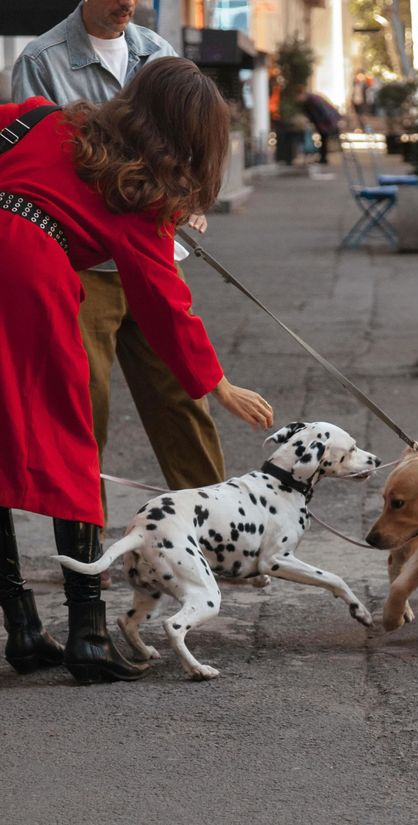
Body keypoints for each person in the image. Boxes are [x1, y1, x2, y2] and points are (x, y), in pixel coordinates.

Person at [0, 56, 274, 685]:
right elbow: (166, 306)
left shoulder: (48, 118)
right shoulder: (140, 197)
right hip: (32, 278)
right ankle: (89, 636)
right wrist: (218, 384)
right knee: (70, 447)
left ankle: (20, 627)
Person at [11, 0, 227, 591]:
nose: (128, 2)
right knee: (85, 402)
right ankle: (86, 550)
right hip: (79, 261)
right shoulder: (42, 58)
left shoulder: (158, 53)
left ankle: (214, 535)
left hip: (149, 246)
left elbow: (186, 141)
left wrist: (184, 203)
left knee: (181, 397)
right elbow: (76, 158)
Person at [296, 87, 342, 166]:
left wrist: (326, 123)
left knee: (324, 139)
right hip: (323, 122)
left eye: (298, 97)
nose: (298, 99)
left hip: (325, 122)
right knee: (323, 140)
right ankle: (323, 158)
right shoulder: (309, 101)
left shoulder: (313, 100)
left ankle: (323, 158)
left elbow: (323, 111)